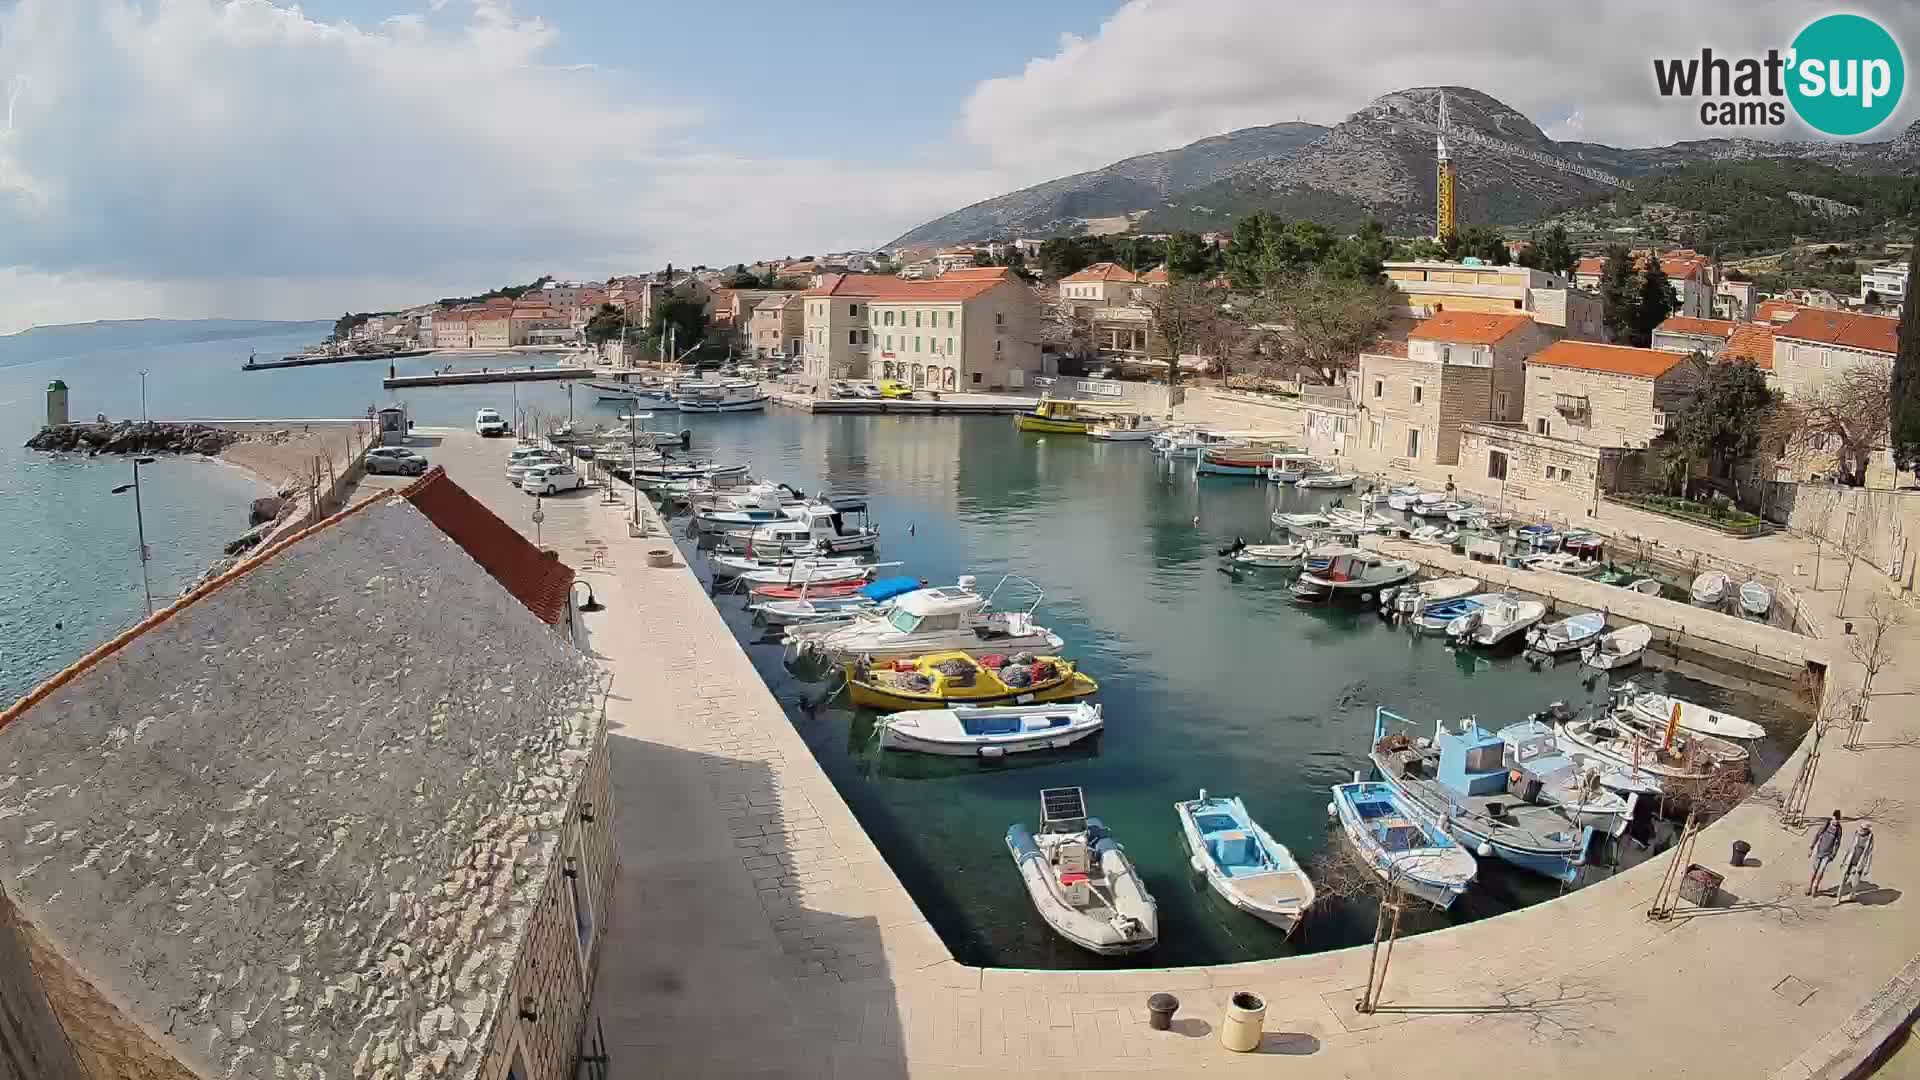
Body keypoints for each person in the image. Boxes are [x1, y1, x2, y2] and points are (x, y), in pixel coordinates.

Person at [1808, 810, 1843, 895]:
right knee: (1814, 870)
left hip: (1828, 854)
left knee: (1821, 871)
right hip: (1819, 850)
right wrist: (1812, 847)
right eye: (1835, 819)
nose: (1836, 821)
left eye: (1837, 820)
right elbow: (1818, 834)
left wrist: (1833, 855)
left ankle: (1815, 886)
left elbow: (1837, 843)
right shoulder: (1826, 824)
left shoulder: (1839, 829)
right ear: (1832, 817)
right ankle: (1809, 887)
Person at [1840, 824, 1875, 900]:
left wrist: (1867, 867)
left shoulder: (1869, 838)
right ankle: (1839, 896)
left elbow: (1869, 854)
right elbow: (1850, 848)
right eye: (1861, 828)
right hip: (1851, 859)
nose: (1862, 830)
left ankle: (1852, 894)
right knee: (1844, 877)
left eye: (1864, 829)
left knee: (1855, 881)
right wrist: (1844, 860)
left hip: (1860, 862)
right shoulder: (1856, 834)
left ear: (1867, 830)